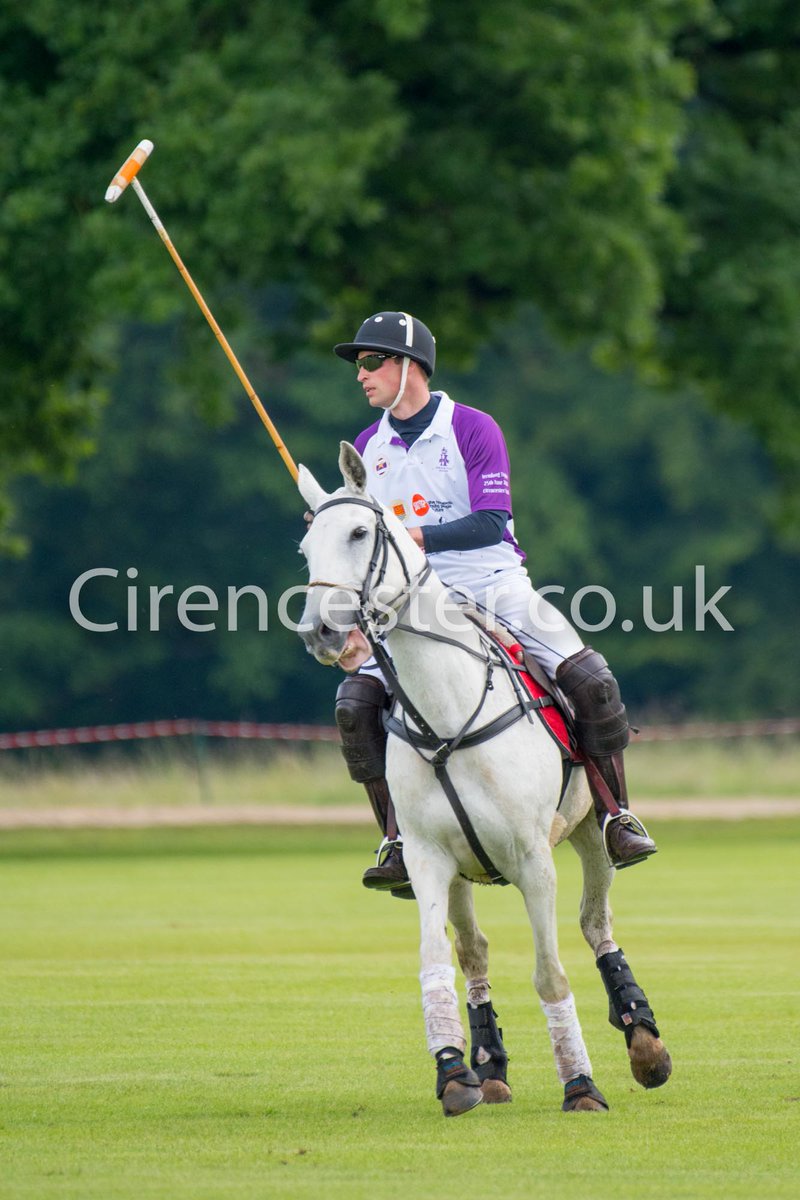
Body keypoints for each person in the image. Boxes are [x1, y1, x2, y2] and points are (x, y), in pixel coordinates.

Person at [328, 310, 656, 895]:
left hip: (492, 584)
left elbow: (490, 521)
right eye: (358, 364)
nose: (361, 374)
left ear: (410, 365)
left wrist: (411, 535)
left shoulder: (472, 428)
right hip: (411, 603)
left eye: (372, 361)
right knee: (355, 705)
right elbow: (362, 546)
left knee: (592, 679)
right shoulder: (366, 447)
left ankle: (615, 815)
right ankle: (395, 840)